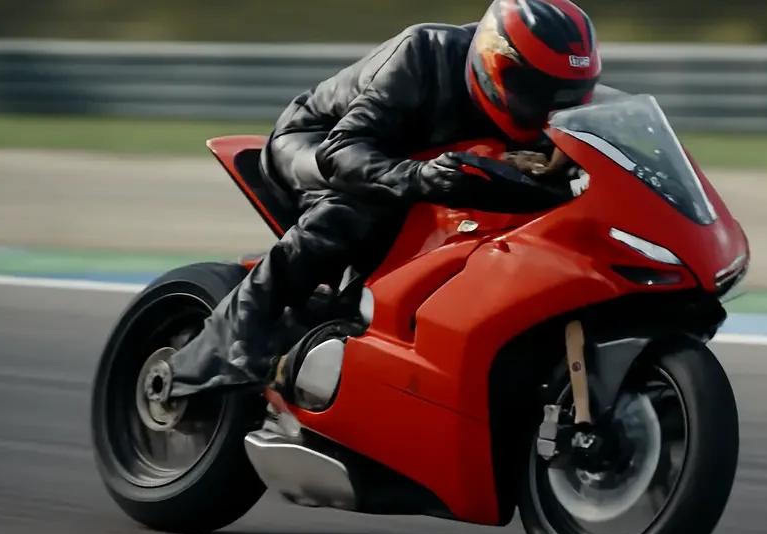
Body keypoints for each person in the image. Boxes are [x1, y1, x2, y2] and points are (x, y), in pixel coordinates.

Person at [166, 0, 602, 398]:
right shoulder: (423, 54)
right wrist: (417, 176)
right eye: (537, 91)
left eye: (565, 95)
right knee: (357, 208)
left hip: (422, 163)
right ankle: (227, 344)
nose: (549, 108)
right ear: (494, 63)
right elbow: (340, 151)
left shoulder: (551, 103)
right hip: (316, 144)